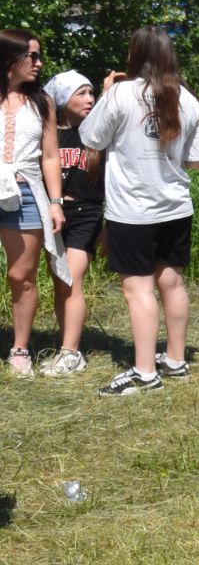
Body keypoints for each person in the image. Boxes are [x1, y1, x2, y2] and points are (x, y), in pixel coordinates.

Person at [81, 27, 199, 395]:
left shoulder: (121, 93)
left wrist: (106, 93)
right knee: (172, 282)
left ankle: (144, 372)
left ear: (134, 55)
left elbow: (91, 138)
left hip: (133, 210)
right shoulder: (187, 98)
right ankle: (175, 359)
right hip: (175, 206)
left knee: (138, 290)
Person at [1, 31, 66, 377]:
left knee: (21, 274)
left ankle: (20, 348)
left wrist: (55, 202)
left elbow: (51, 157)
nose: (39, 64)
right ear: (9, 59)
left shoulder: (43, 102)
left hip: (26, 192)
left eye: (39, 56)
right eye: (32, 56)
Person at [41, 71, 101, 376]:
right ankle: (68, 344)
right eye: (81, 93)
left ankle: (71, 353)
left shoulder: (98, 133)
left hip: (86, 214)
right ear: (63, 99)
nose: (89, 99)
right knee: (59, 282)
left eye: (92, 93)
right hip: (54, 216)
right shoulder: (48, 133)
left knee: (71, 280)